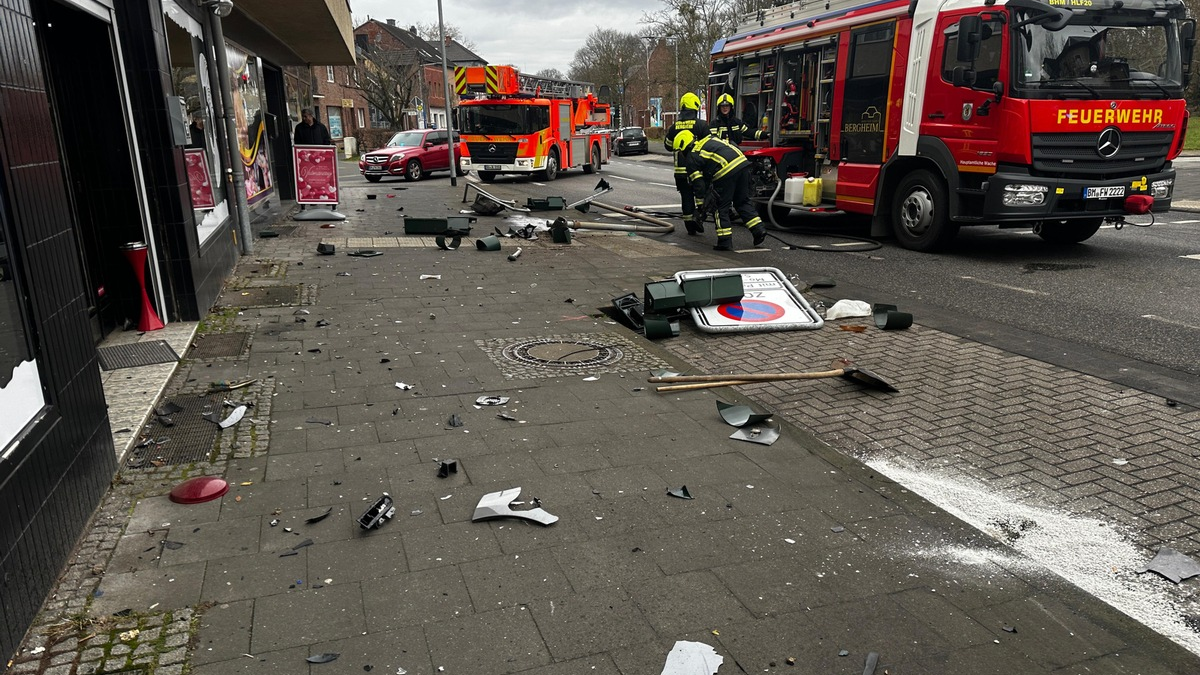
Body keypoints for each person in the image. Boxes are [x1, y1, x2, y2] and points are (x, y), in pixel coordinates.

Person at [673, 129, 766, 251]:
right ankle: (758, 230)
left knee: (719, 207)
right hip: (743, 165)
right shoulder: (709, 139)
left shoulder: (692, 157)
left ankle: (725, 242)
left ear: (683, 146)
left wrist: (702, 206)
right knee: (742, 202)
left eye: (680, 152)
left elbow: (699, 186)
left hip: (726, 172)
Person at [663, 92, 712, 235]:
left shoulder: (674, 127)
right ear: (695, 108)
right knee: (701, 196)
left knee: (686, 197)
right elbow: (709, 145)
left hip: (680, 172)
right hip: (698, 171)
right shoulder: (701, 126)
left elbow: (668, 145)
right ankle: (699, 218)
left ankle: (690, 226)